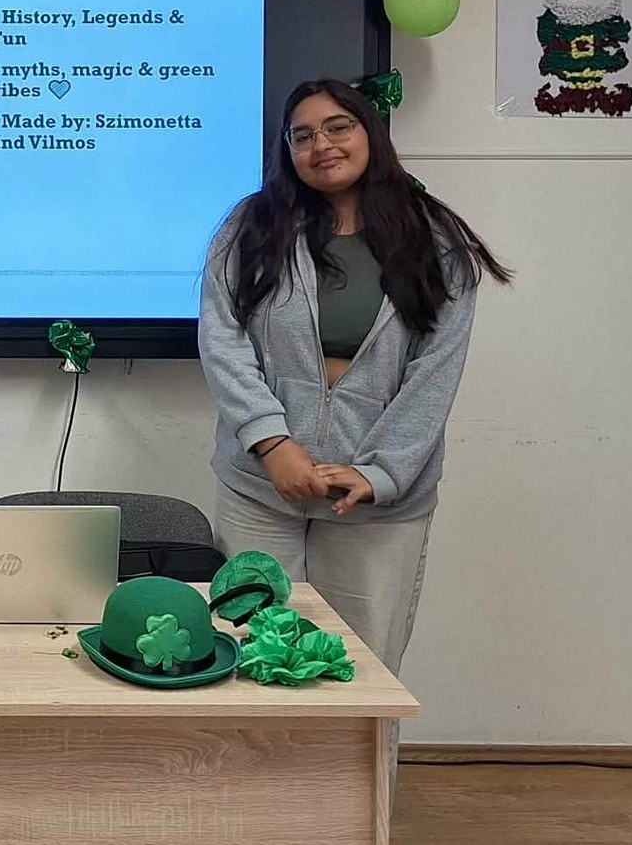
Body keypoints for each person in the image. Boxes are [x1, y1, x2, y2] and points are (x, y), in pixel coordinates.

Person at [199, 78, 509, 751]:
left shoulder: (435, 239)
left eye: (338, 126)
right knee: (251, 656)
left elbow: (436, 372)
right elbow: (222, 338)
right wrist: (272, 444)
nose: (322, 145)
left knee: (362, 672)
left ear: (370, 132)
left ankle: (356, 807)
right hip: (260, 490)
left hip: (376, 504)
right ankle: (264, 805)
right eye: (302, 135)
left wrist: (379, 473)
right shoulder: (251, 227)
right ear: (287, 151)